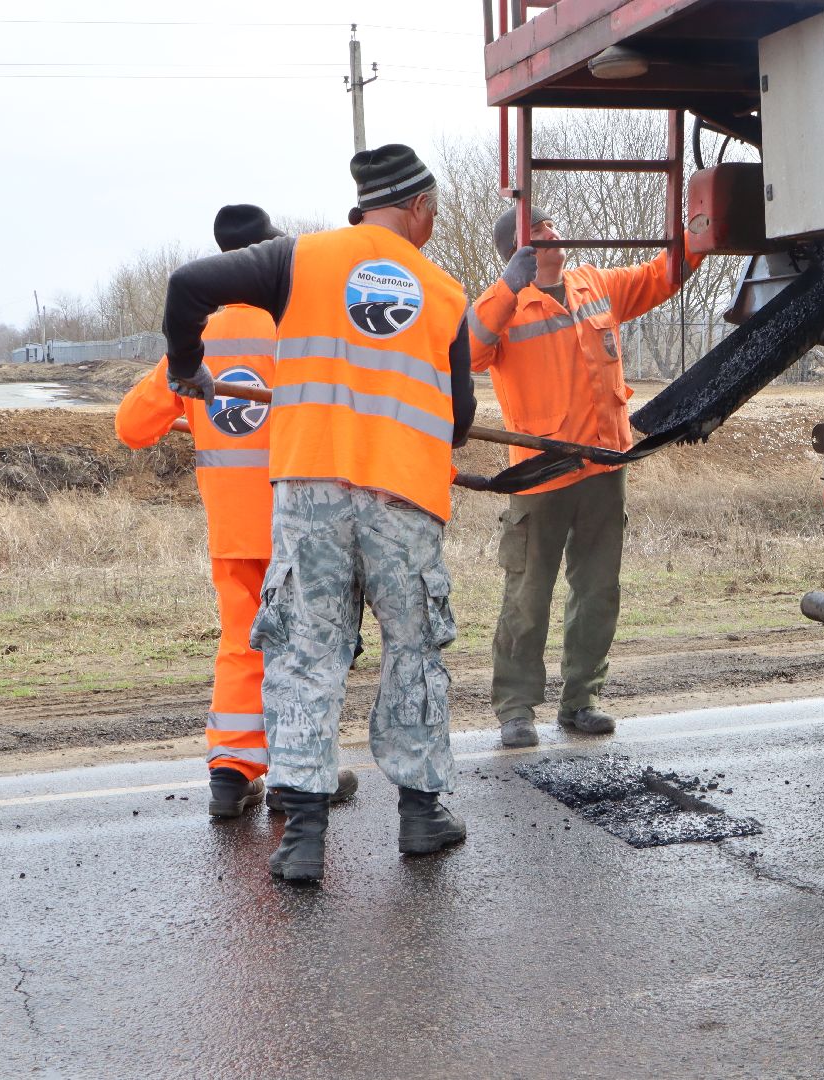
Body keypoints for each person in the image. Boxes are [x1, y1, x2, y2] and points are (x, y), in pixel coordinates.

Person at [159, 145, 475, 883]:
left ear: (363, 204)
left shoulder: (295, 261)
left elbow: (186, 285)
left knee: (307, 655)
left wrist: (183, 369)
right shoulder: (446, 293)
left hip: (310, 497)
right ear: (420, 207)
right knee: (414, 651)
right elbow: (457, 422)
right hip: (404, 500)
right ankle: (422, 816)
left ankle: (302, 836)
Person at [115, 204, 358, 819]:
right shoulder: (298, 334)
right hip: (300, 527)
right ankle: (301, 777)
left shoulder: (193, 344)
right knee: (305, 650)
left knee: (240, 646)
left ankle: (231, 770)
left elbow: (131, 428)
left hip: (232, 532)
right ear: (268, 258)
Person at [469, 206, 702, 748]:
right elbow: (471, 350)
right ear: (518, 249)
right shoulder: (503, 306)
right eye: (542, 230)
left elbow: (656, 277)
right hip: (541, 474)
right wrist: (507, 289)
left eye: (552, 225)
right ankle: (516, 710)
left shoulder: (593, 284)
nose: (555, 233)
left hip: (603, 466)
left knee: (597, 591)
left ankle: (581, 701)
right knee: (528, 595)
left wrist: (697, 237)